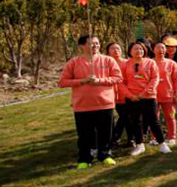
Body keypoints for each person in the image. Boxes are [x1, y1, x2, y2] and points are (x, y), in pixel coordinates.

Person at [59, 35, 123, 169]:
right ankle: (84, 158)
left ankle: (105, 155)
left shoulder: (108, 60)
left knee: (105, 133)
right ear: (82, 46)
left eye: (97, 44)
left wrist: (100, 80)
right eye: (92, 44)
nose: (95, 46)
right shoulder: (74, 62)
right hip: (83, 106)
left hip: (105, 104)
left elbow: (117, 78)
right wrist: (81, 81)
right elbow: (62, 82)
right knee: (84, 135)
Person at [122, 41, 170, 155]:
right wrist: (130, 95)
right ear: (130, 51)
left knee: (153, 120)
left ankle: (162, 143)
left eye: (141, 49)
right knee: (136, 121)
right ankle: (139, 145)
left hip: (148, 97)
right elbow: (121, 82)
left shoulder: (150, 63)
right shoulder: (126, 64)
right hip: (132, 98)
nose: (139, 51)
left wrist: (144, 93)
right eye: (136, 49)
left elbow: (155, 79)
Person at [152, 41, 177, 146]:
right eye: (158, 48)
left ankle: (171, 136)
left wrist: (176, 93)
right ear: (153, 50)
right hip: (153, 95)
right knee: (154, 118)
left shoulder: (171, 63)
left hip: (168, 94)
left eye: (163, 48)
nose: (161, 50)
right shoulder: (149, 63)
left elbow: (176, 79)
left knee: (170, 116)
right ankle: (155, 138)